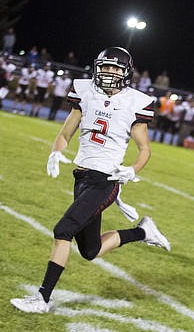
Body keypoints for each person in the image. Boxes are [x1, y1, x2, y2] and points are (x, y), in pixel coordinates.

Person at [10, 47, 170, 314]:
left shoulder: (135, 101)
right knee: (90, 249)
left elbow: (145, 149)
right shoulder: (85, 92)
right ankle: (143, 232)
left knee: (63, 230)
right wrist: (56, 151)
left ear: (126, 73)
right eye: (106, 66)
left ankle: (42, 299)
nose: (109, 72)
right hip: (82, 177)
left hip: (106, 180)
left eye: (116, 68)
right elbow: (65, 133)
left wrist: (132, 170)